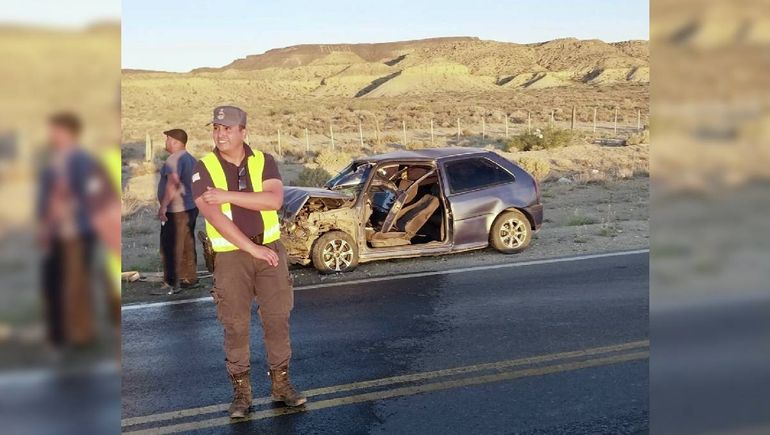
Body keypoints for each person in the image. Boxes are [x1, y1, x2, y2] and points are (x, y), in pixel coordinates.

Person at [192, 105, 306, 418]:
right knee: (235, 326)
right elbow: (214, 216)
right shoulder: (201, 168)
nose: (220, 134)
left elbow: (273, 200)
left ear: (243, 131)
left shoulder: (263, 161)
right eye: (216, 128)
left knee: (277, 319)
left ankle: (281, 386)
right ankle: (241, 395)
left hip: (270, 251)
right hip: (231, 257)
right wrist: (251, 249)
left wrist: (227, 195)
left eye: (228, 128)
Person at [37, 112, 115, 349]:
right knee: (55, 282)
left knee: (76, 282)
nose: (51, 134)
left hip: (76, 232)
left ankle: (81, 335)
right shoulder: (55, 159)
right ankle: (64, 332)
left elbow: (90, 194)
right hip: (57, 231)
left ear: (68, 132)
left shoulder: (81, 160)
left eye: (55, 130)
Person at [156, 128, 199, 294]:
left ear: (174, 141)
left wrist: (163, 206)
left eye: (167, 139)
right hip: (190, 208)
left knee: (170, 244)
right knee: (187, 243)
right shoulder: (191, 159)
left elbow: (173, 182)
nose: (165, 142)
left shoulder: (174, 159)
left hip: (176, 210)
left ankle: (172, 282)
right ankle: (190, 278)